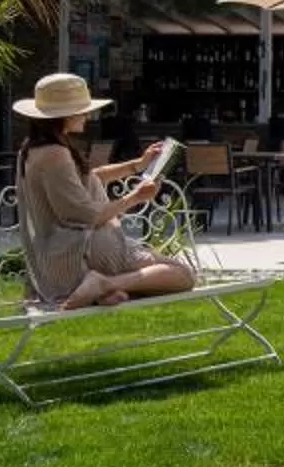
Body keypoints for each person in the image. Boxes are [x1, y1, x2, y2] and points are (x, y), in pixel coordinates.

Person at [12, 73, 198, 311]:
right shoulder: (54, 154)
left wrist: (137, 165)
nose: (88, 115)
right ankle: (105, 284)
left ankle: (108, 289)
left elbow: (91, 177)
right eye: (82, 110)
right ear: (64, 115)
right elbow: (88, 215)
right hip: (82, 249)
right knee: (183, 275)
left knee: (156, 275)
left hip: (62, 253)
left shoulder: (33, 149)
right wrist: (136, 197)